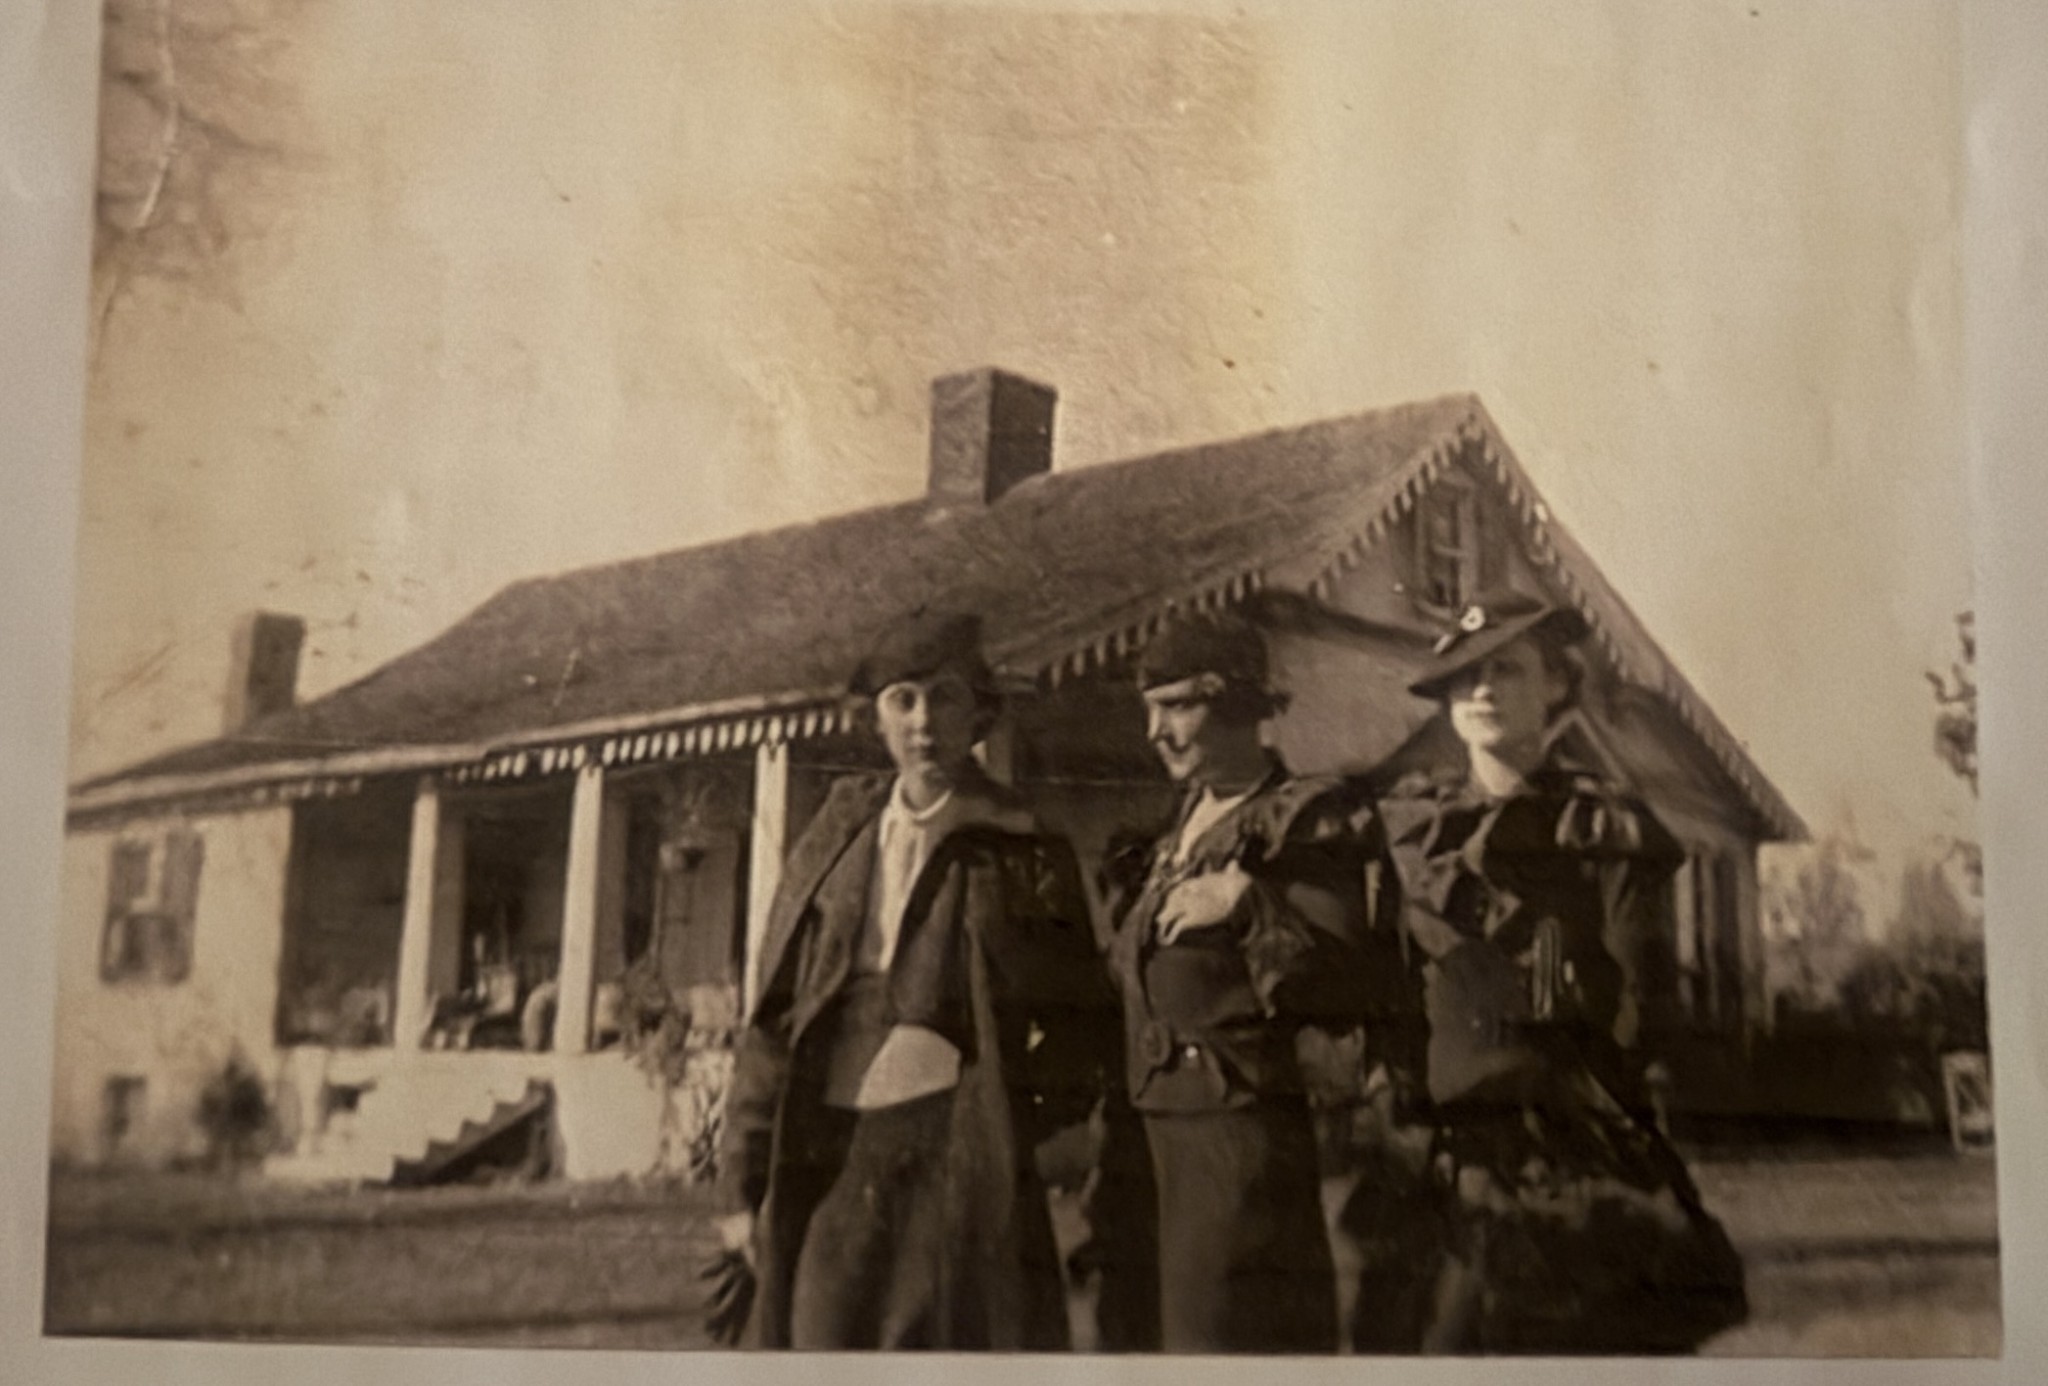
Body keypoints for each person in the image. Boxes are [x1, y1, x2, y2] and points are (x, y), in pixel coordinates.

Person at [710, 610, 1118, 1350]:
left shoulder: (1023, 847)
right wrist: (741, 1188)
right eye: (904, 699)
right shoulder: (835, 842)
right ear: (877, 716)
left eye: (946, 697)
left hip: (960, 1171)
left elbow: (1083, 1019)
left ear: (978, 713)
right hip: (833, 1161)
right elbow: (774, 1023)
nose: (924, 722)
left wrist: (1007, 1124)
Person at [1379, 590, 1748, 1354]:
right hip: (1443, 1150)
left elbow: (1637, 1009)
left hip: (1569, 1149)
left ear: (1555, 684)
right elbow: (1394, 990)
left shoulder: (1601, 828)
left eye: (1506, 670)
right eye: (1464, 677)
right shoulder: (1410, 831)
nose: (1481, 691)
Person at [1100, 612, 1380, 1354]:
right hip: (1142, 1145)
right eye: (1149, 709)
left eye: (1177, 706)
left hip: (1235, 1151)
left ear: (1239, 705)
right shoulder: (1169, 834)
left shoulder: (1304, 822)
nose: (1156, 731)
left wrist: (1250, 903)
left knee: (1221, 1347)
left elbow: (1343, 983)